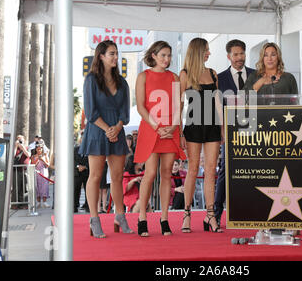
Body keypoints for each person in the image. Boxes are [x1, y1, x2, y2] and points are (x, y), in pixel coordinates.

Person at [79, 40, 132, 238]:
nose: (115, 57)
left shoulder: (123, 82)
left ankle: (120, 215)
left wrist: (116, 128)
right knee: (95, 176)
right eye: (111, 53)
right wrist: (108, 129)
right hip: (97, 131)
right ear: (100, 56)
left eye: (116, 53)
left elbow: (125, 113)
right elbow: (91, 112)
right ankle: (94, 219)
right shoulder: (91, 79)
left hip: (116, 132)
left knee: (117, 177)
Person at [134, 41, 186, 237]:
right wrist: (156, 127)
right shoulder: (143, 77)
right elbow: (140, 106)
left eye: (169, 55)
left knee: (166, 174)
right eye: (163, 55)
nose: (167, 59)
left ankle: (164, 218)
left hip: (170, 130)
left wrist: (173, 127)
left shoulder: (174, 77)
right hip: (151, 130)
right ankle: (142, 217)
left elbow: (178, 106)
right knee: (150, 173)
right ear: (153, 55)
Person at [179, 37, 223, 233]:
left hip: (213, 125)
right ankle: (187, 214)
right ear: (198, 51)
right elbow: (179, 105)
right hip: (193, 125)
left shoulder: (213, 73)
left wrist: (223, 127)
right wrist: (179, 131)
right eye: (206, 50)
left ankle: (210, 215)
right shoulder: (185, 74)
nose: (209, 53)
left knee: (211, 170)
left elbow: (217, 102)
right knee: (193, 168)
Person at [214, 39, 255, 224]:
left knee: (254, 169)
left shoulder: (256, 75)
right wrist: (221, 131)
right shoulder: (220, 79)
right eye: (236, 54)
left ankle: (254, 209)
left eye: (242, 54)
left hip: (255, 129)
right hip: (229, 130)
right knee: (225, 170)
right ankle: (216, 212)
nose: (240, 58)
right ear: (229, 56)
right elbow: (216, 107)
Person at [12, 135, 31, 208]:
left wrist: (22, 148)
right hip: (16, 170)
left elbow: (28, 155)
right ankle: (15, 204)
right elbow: (12, 157)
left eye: (21, 140)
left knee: (25, 187)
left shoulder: (27, 147)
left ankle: (25, 204)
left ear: (24, 140)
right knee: (16, 187)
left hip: (24, 170)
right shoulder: (15, 148)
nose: (20, 141)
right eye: (19, 140)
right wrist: (16, 147)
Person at [31, 144, 50, 208]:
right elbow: (33, 164)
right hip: (37, 173)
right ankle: (38, 202)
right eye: (38, 149)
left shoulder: (45, 156)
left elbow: (47, 165)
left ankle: (44, 202)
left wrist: (42, 159)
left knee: (44, 187)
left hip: (44, 173)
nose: (39, 150)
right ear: (36, 149)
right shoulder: (33, 156)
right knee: (37, 187)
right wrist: (37, 160)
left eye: (40, 149)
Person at [74, 136, 89, 213]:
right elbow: (72, 160)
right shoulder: (75, 150)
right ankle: (75, 205)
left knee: (88, 189)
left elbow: (91, 160)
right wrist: (78, 166)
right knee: (76, 190)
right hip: (77, 173)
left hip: (87, 173)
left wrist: (85, 166)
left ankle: (88, 205)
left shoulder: (89, 150)